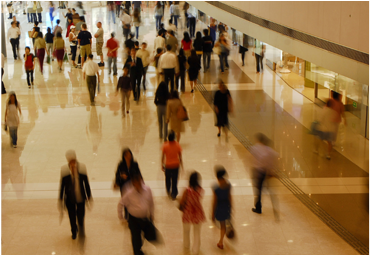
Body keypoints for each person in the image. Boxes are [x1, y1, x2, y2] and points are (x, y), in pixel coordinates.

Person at [117, 171, 158, 255]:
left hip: (144, 218)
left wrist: (152, 214)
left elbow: (151, 202)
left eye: (139, 181)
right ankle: (138, 252)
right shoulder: (129, 193)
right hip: (134, 220)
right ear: (133, 183)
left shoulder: (147, 189)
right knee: (136, 239)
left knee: (152, 235)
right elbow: (120, 204)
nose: (138, 184)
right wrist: (121, 218)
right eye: (136, 182)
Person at [59, 150, 93, 239]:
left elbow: (86, 183)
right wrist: (60, 198)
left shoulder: (81, 168)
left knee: (81, 216)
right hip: (69, 199)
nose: (72, 163)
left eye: (73, 160)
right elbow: (62, 186)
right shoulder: (65, 170)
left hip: (80, 198)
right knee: (72, 216)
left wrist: (89, 195)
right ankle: (74, 231)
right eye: (70, 161)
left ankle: (82, 231)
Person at [250, 133, 279, 220]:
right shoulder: (269, 150)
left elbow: (252, 159)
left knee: (258, 190)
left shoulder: (256, 148)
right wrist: (272, 171)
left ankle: (258, 208)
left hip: (258, 172)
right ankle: (275, 207)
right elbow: (275, 157)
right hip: (267, 172)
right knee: (269, 189)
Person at [180, 171, 206, 255]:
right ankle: (195, 250)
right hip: (198, 212)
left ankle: (186, 245)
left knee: (186, 231)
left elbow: (182, 202)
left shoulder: (187, 190)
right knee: (197, 232)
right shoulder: (201, 190)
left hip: (187, 212)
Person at [212, 166, 233, 250]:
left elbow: (214, 202)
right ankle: (221, 239)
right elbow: (230, 197)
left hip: (219, 208)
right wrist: (231, 208)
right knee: (224, 224)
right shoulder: (228, 185)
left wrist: (213, 213)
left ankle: (220, 242)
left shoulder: (216, 188)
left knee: (222, 225)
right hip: (226, 207)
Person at [161, 130, 183, 200]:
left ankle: (168, 189)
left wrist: (162, 164)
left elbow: (163, 156)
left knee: (167, 179)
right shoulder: (177, 145)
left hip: (168, 165)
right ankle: (174, 193)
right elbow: (180, 156)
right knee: (175, 179)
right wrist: (182, 165)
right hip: (176, 165)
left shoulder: (165, 145)